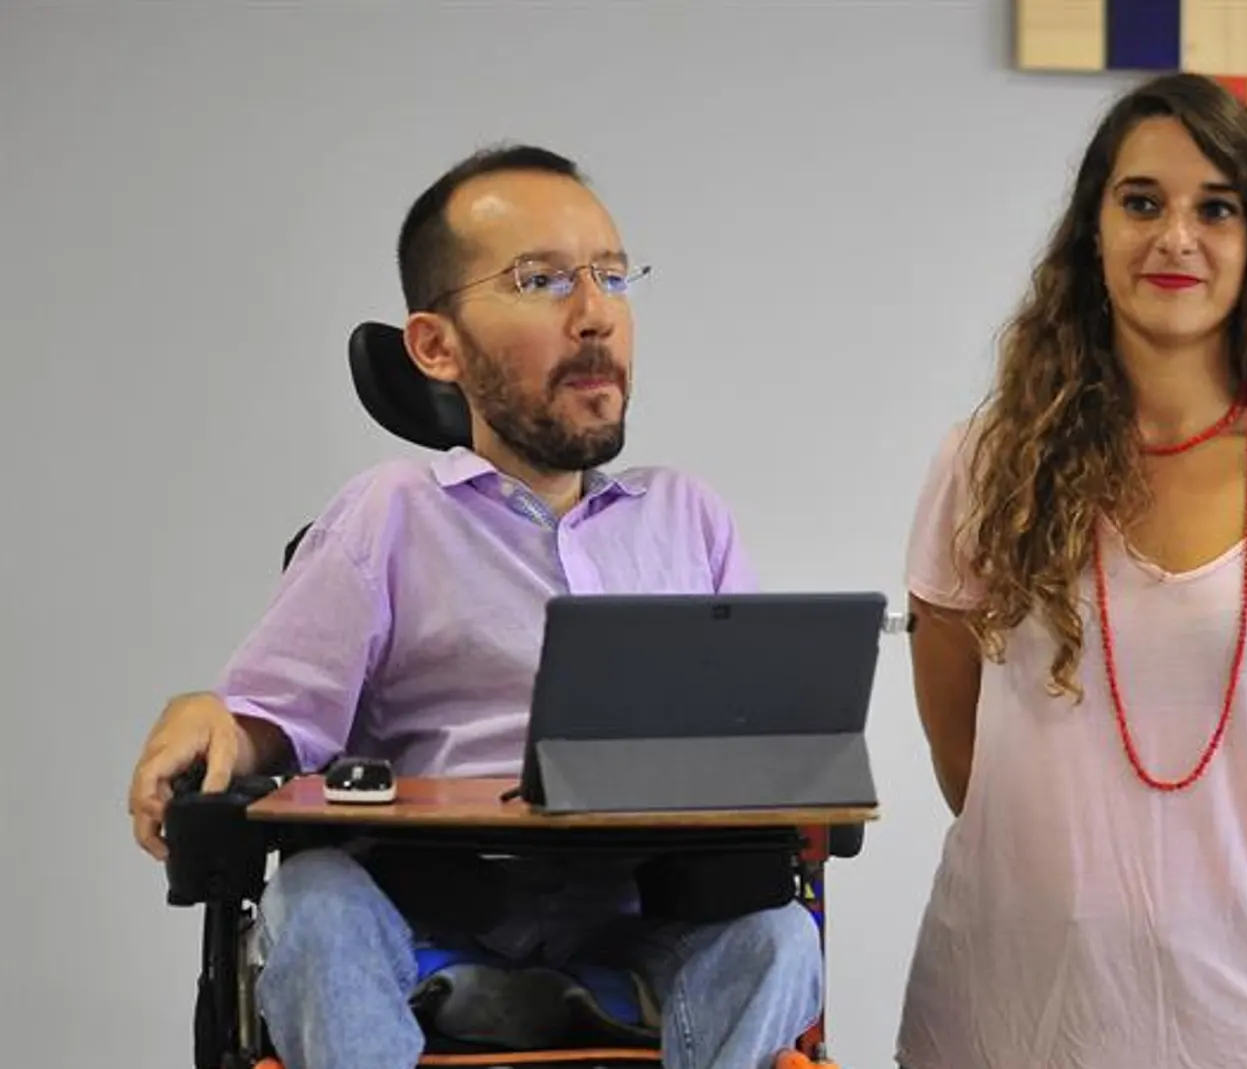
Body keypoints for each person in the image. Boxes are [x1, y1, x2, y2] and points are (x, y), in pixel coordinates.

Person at [125, 144, 829, 1069]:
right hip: (419, 942)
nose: (594, 316)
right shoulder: (390, 512)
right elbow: (271, 721)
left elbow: (762, 752)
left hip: (638, 941)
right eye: (540, 280)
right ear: (434, 346)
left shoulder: (686, 519)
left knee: (781, 938)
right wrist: (213, 712)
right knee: (315, 902)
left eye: (611, 278)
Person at [894, 73, 1247, 1069]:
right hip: (1003, 1013)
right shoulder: (984, 462)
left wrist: (1216, 912)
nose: (1175, 236)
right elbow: (962, 754)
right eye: (1141, 202)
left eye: (1215, 208)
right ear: (1091, 234)